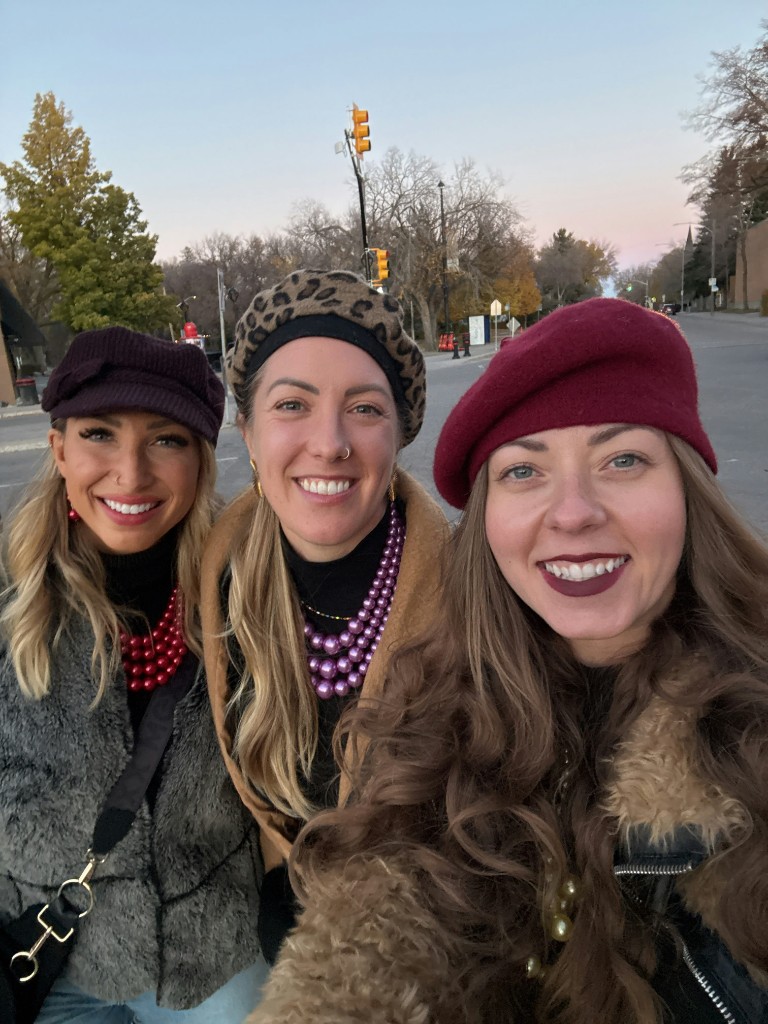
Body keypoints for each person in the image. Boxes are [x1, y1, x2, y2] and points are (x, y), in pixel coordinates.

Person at [246, 299, 768, 1024]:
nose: (573, 512)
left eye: (622, 460)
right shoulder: (436, 710)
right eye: (524, 471)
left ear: (688, 487)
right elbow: (375, 929)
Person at [0, 327, 267, 1022]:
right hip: (40, 956)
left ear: (201, 460)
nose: (131, 473)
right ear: (59, 448)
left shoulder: (249, 591)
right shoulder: (9, 600)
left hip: (208, 958)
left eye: (166, 440)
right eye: (99, 434)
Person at [200, 268, 448, 966]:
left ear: (398, 435)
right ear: (248, 434)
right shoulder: (213, 582)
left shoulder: (476, 599)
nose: (330, 441)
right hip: (281, 951)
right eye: (292, 405)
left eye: (365, 409)